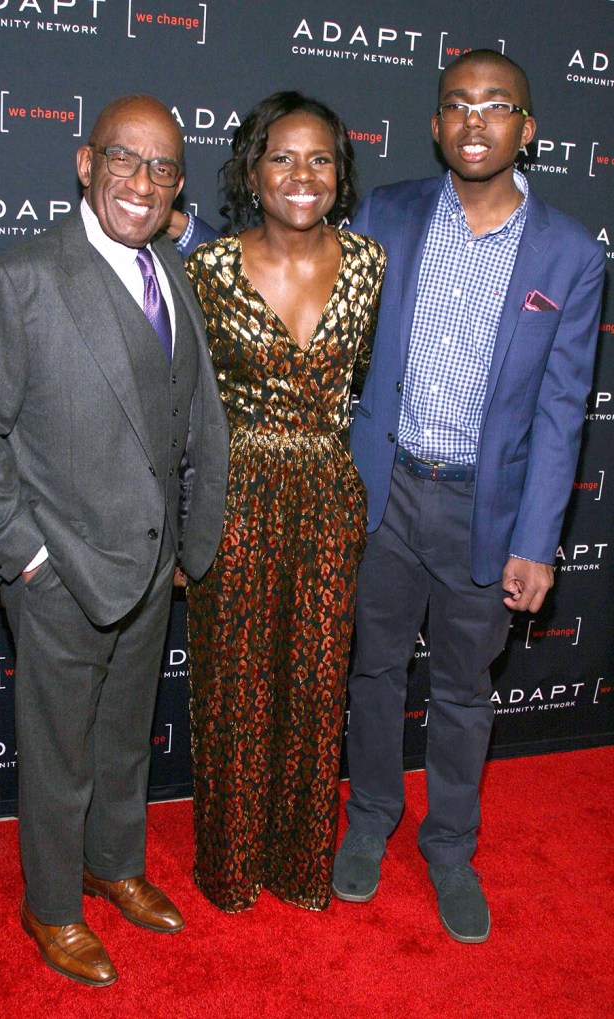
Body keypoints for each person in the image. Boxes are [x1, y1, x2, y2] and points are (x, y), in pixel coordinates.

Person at [0, 95, 228, 986]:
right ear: (84, 163)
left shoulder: (169, 269)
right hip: (59, 568)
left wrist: (189, 541)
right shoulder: (21, 279)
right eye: (125, 160)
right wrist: (25, 554)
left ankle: (114, 863)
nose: (144, 183)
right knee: (60, 753)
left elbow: (190, 417)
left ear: (180, 185)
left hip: (148, 566)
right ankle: (53, 903)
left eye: (165, 169)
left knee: (124, 737)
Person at [331, 50, 605, 943]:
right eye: (457, 104)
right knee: (370, 671)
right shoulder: (388, 213)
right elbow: (302, 291)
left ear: (527, 129)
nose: (475, 120)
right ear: (437, 124)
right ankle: (371, 816)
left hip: (486, 513)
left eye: (498, 106)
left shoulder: (569, 252)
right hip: (387, 493)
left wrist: (540, 540)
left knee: (463, 689)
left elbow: (565, 411)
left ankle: (450, 844)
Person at [181, 91, 385, 912]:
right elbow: (179, 408)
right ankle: (231, 865)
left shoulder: (370, 263)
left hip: (330, 495)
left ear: (341, 170)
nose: (302, 175)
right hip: (237, 493)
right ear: (251, 169)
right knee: (234, 683)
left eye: (320, 158)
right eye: (282, 157)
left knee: (314, 682)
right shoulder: (207, 269)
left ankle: (302, 862)